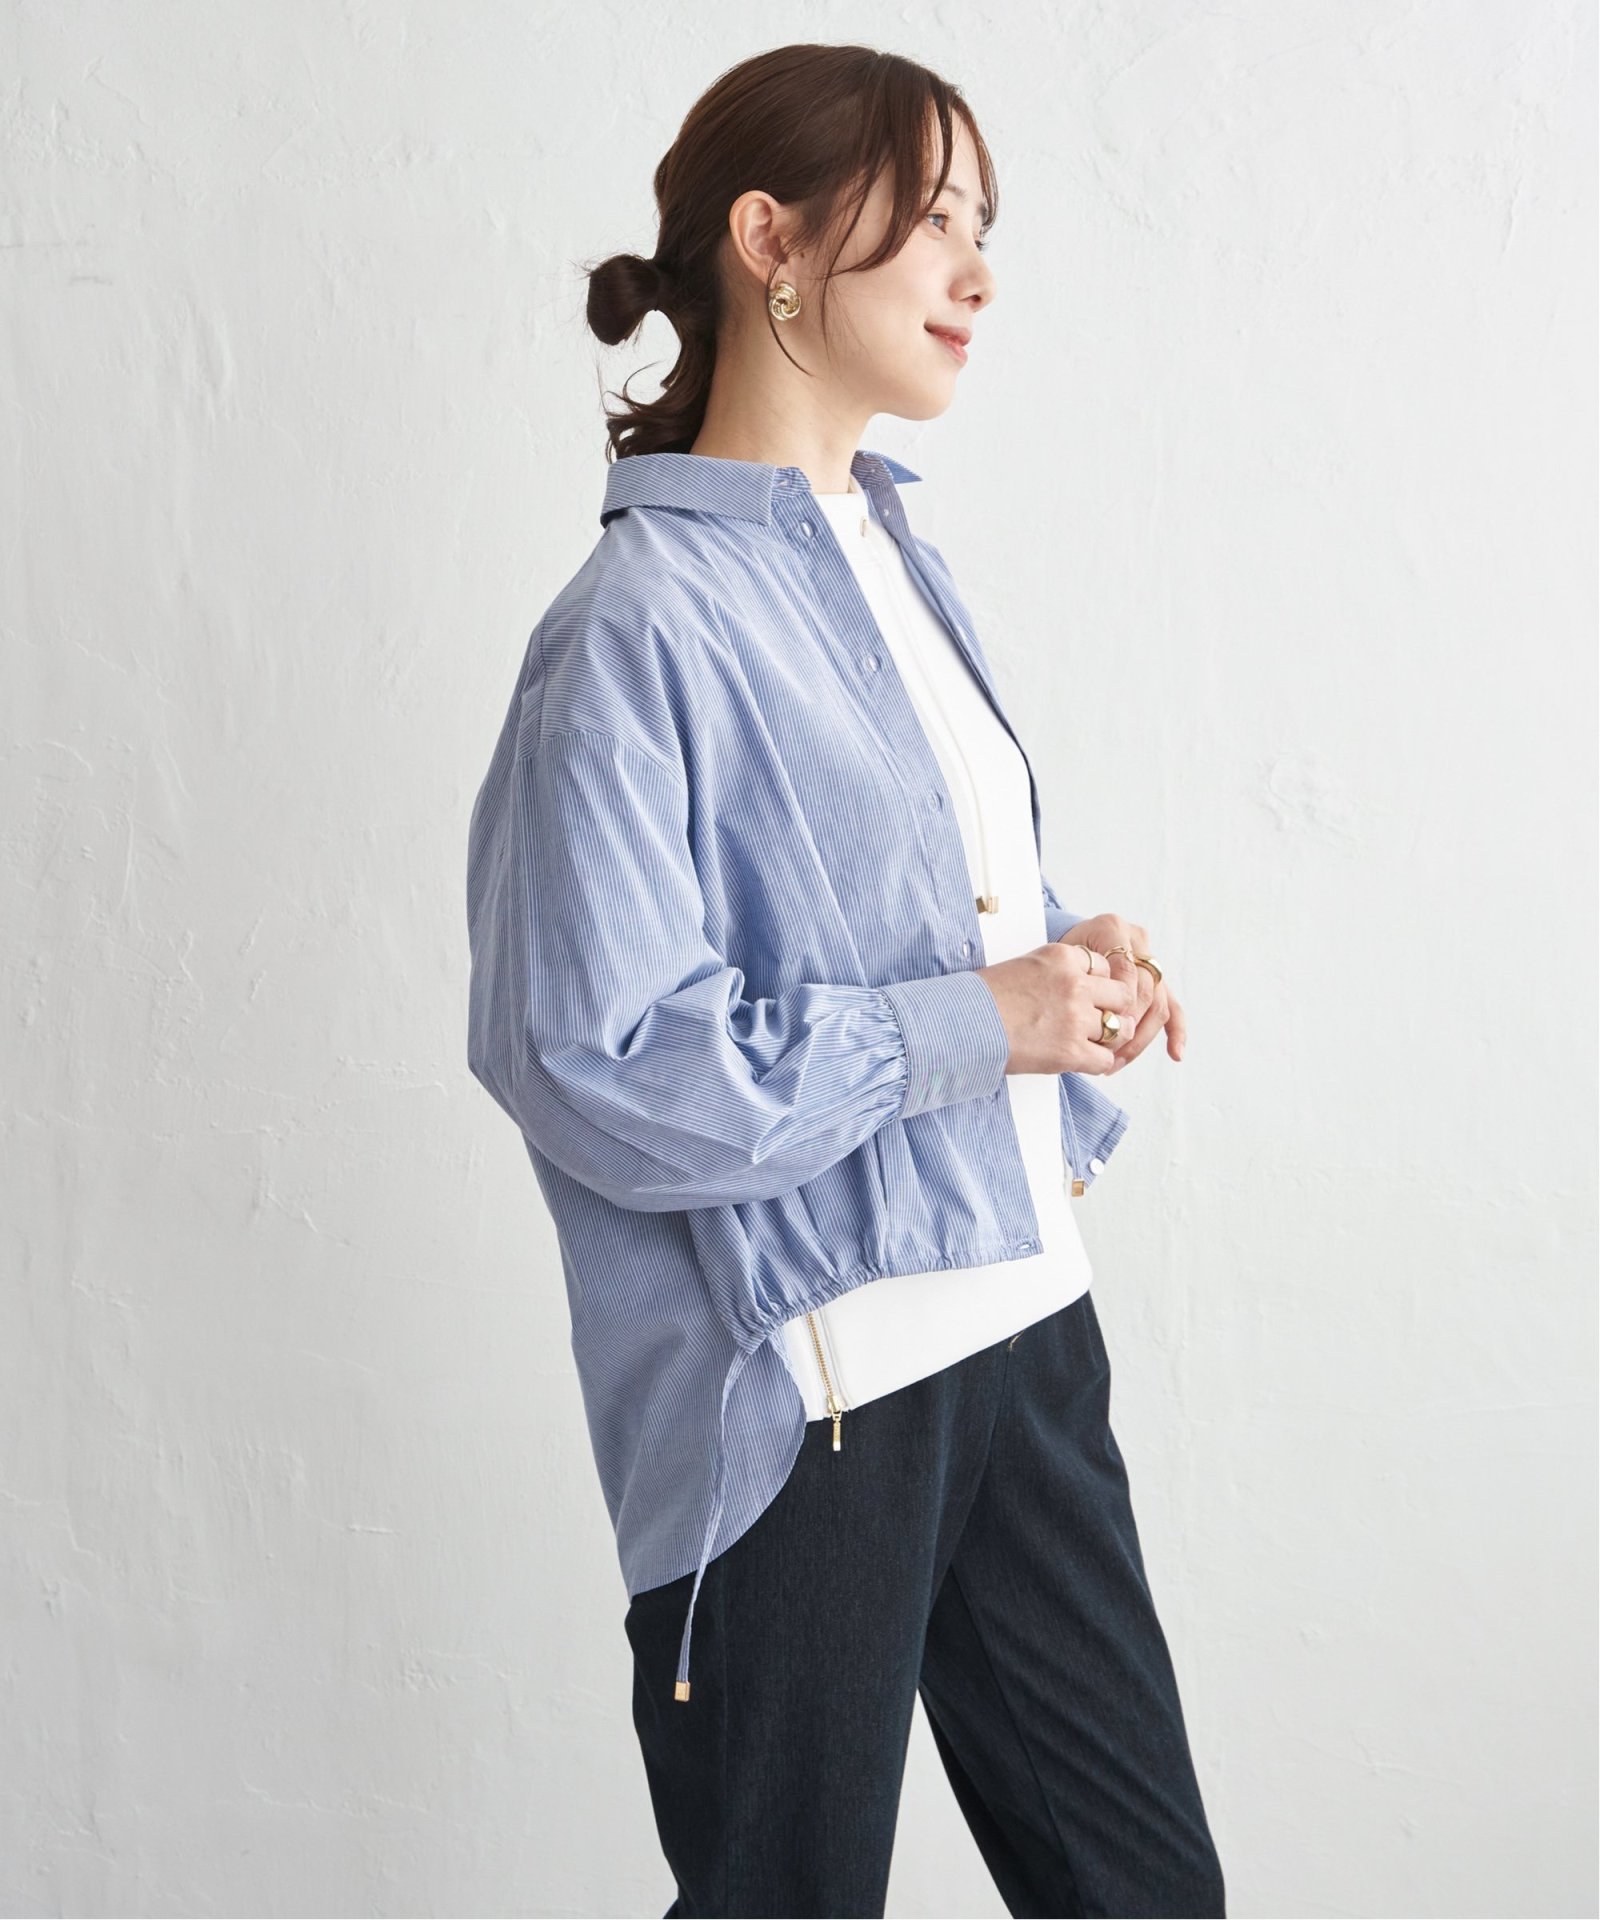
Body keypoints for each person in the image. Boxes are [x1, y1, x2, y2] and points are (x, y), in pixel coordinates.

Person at [465, 41, 1224, 1920]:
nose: (979, 270)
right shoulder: (633, 629)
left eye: (986, 225)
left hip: (1024, 1336)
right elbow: (593, 1059)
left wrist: (1063, 967)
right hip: (816, 1405)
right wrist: (986, 1020)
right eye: (936, 219)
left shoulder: (894, 554)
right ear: (772, 242)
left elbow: (904, 925)